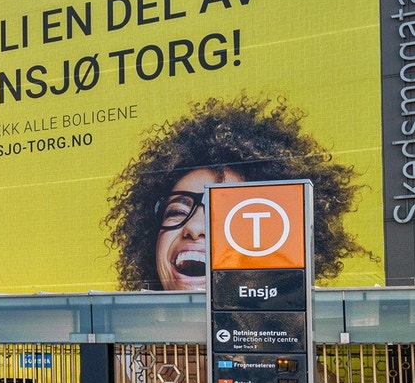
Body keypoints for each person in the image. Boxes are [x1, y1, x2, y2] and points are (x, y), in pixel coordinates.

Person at [103, 95, 367, 292]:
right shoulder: (123, 354)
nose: (194, 227)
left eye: (224, 213)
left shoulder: (304, 338)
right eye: (177, 211)